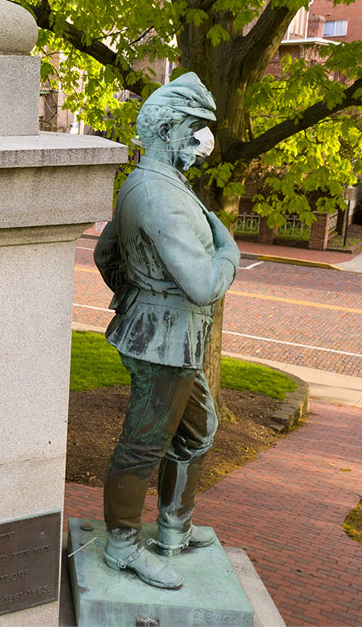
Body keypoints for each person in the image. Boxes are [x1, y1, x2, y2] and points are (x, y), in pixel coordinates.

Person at [93, 72, 240, 590]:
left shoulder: (148, 182)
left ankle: (174, 527)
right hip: (163, 341)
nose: (202, 142)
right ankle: (123, 546)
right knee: (143, 445)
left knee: (199, 431)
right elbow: (203, 284)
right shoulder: (158, 193)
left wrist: (138, 292)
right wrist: (229, 255)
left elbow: (105, 254)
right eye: (194, 129)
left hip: (169, 336)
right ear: (168, 127)